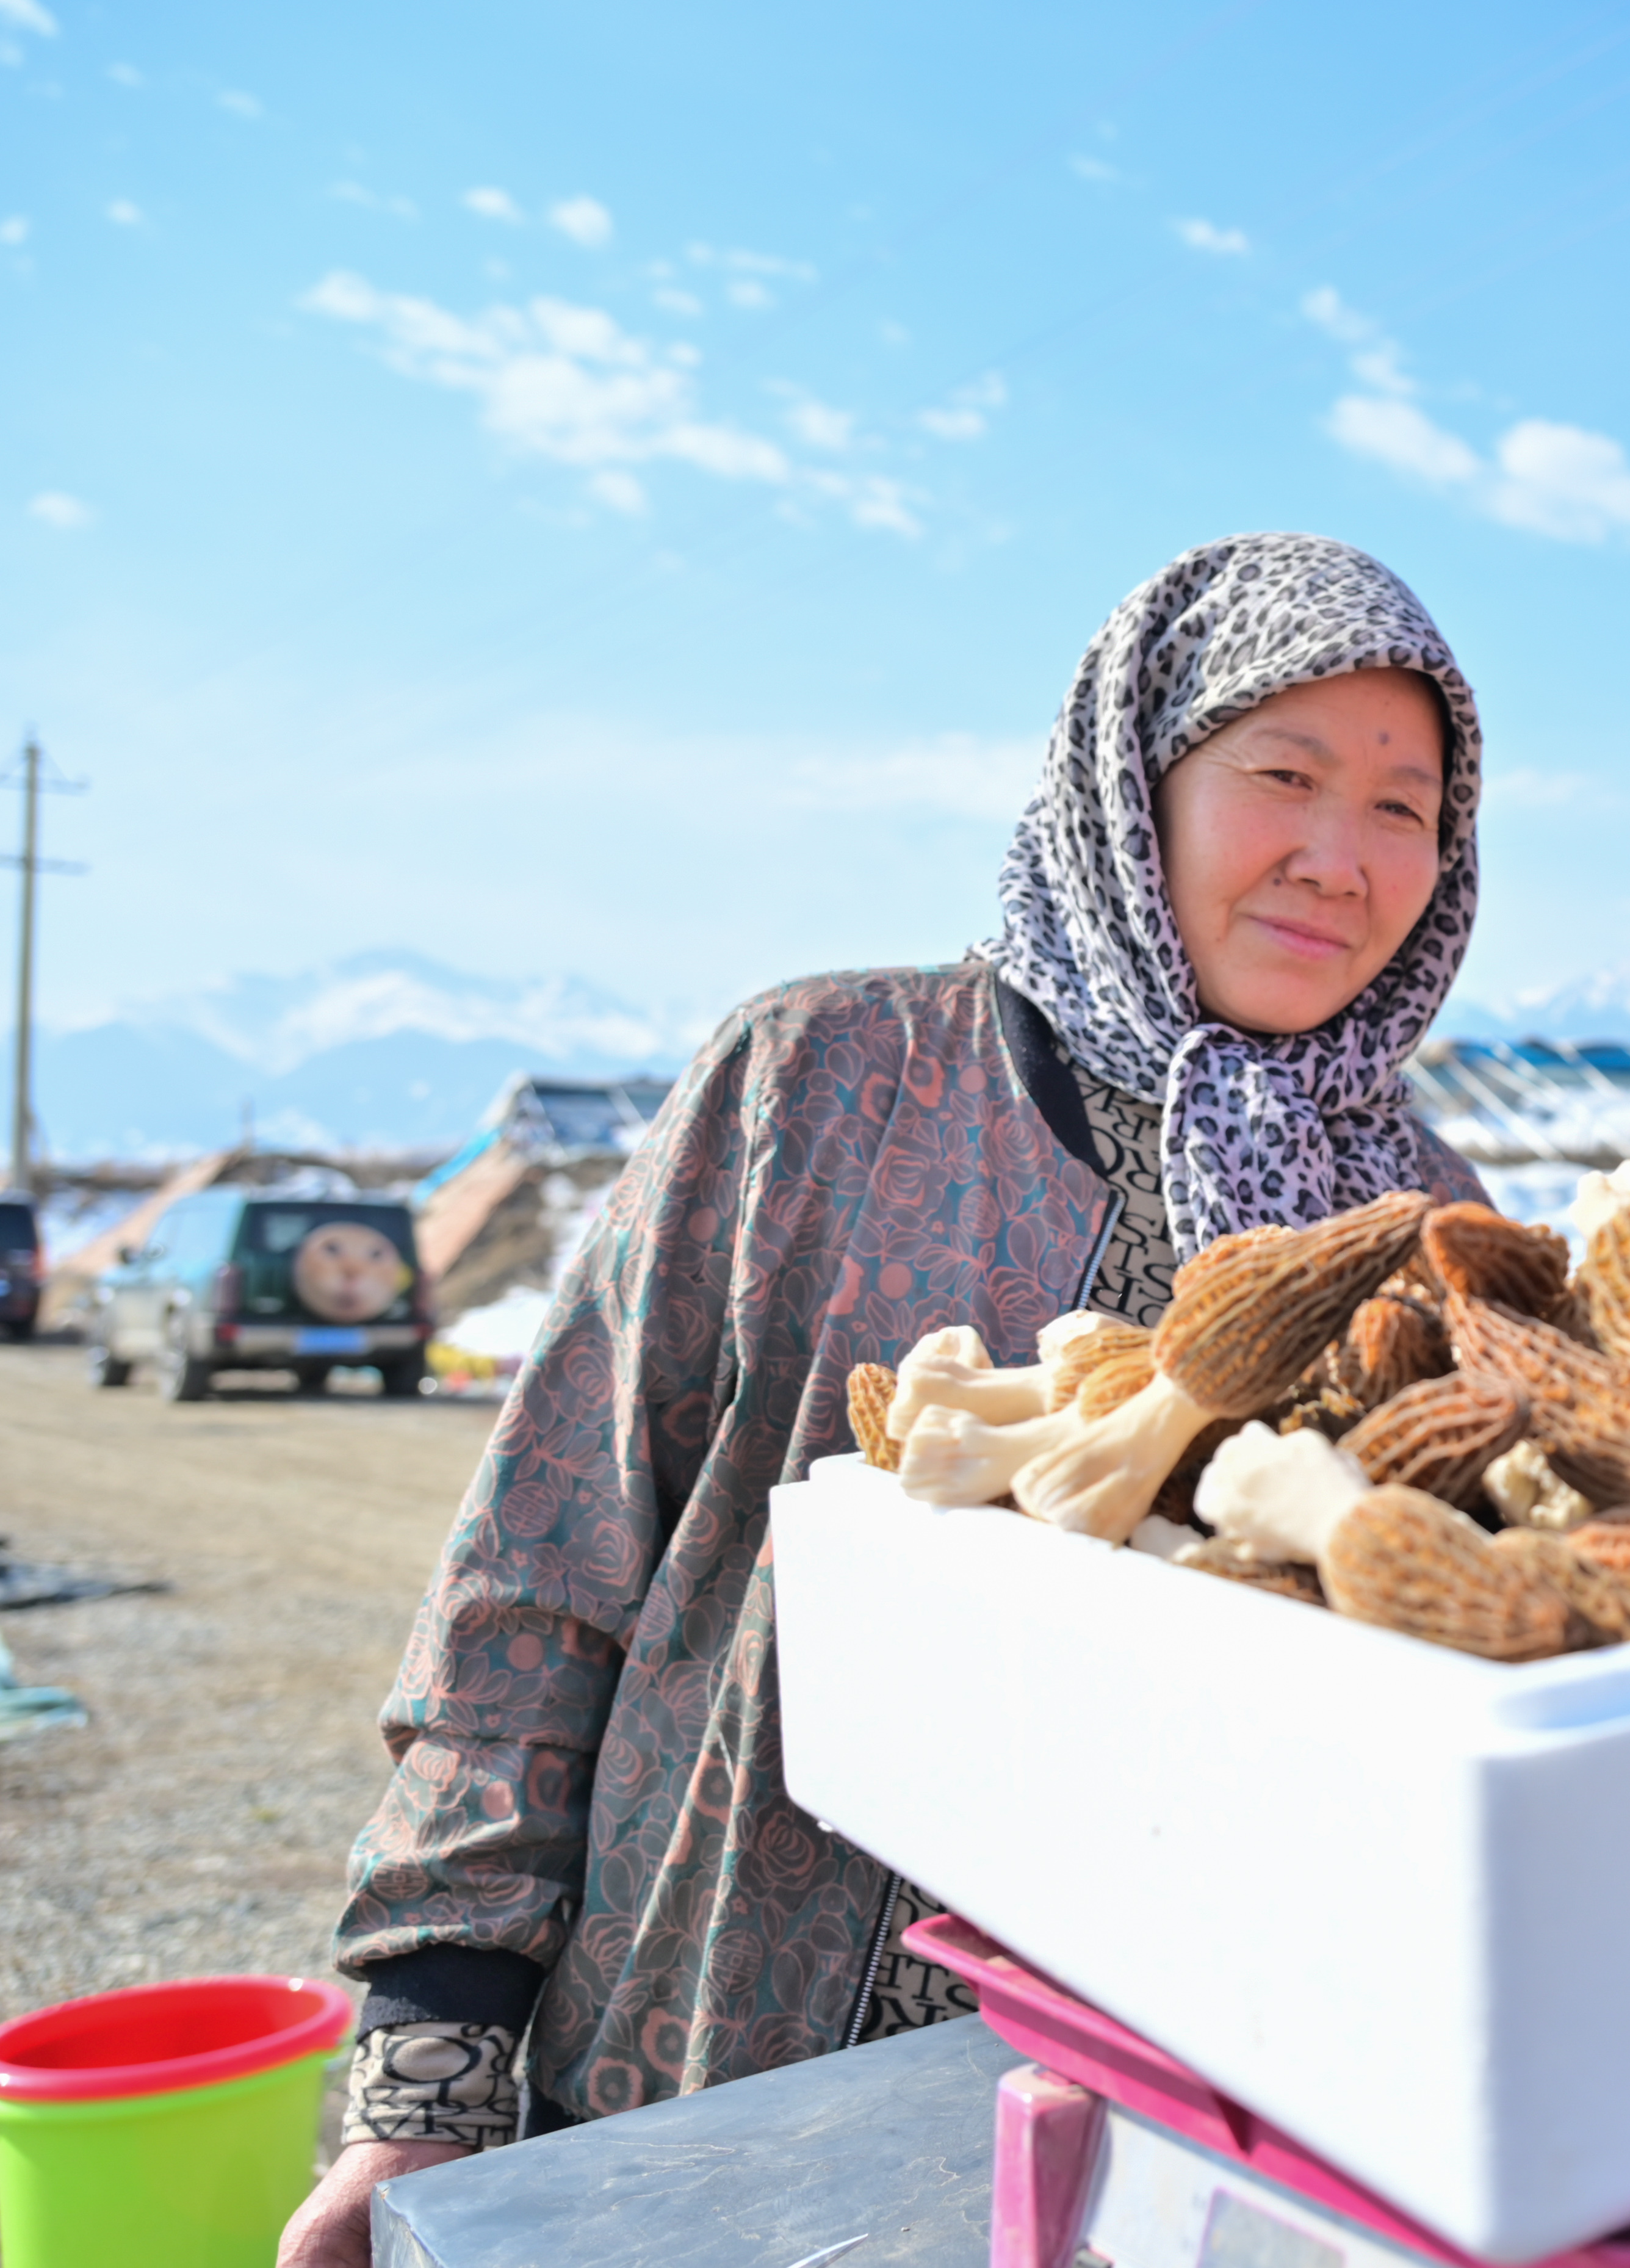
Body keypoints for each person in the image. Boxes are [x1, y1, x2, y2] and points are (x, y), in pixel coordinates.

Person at [281, 533, 1492, 2265]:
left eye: (1403, 807)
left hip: (1167, 2161)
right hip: (695, 2085)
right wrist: (429, 2076)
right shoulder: (823, 1082)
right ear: (1131, 782)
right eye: (1283, 776)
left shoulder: (1434, 1234)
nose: (1340, 858)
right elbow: (541, 1570)